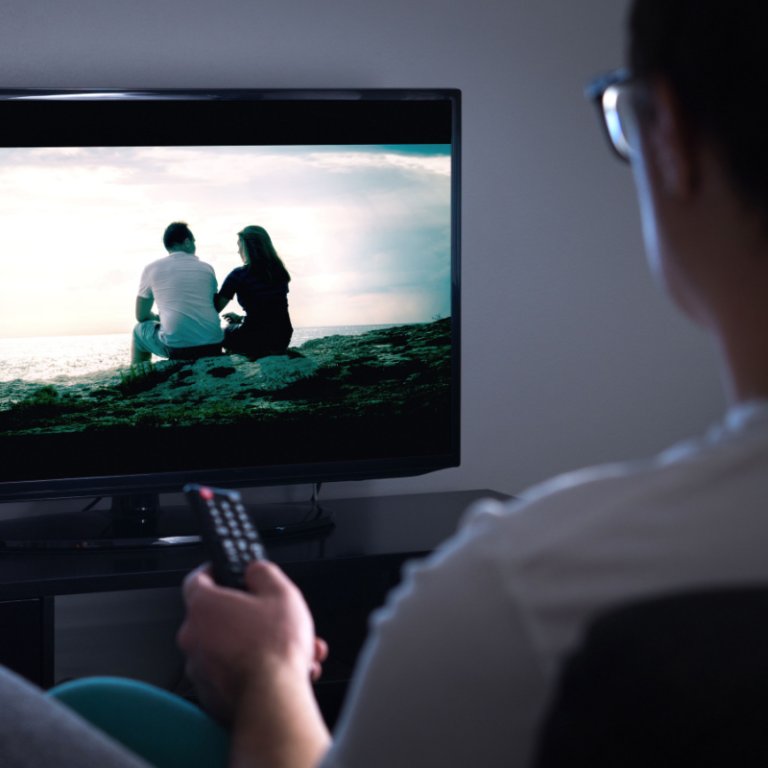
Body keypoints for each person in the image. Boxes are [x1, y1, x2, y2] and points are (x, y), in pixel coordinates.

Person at [176, 1, 768, 766]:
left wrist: (267, 674)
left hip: (249, 354)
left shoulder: (517, 596)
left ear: (671, 137)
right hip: (277, 338)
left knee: (78, 705)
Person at [131, 222, 224, 364]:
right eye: (194, 242)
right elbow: (210, 306)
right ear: (187, 242)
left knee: (138, 331)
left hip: (179, 349)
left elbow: (141, 315)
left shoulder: (152, 269)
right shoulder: (207, 268)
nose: (195, 246)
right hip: (214, 345)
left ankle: (140, 376)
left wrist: (159, 317)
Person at [214, 226, 293, 359]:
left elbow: (216, 307)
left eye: (239, 245)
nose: (238, 251)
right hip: (282, 337)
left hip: (254, 338)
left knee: (223, 332)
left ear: (247, 247)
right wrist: (241, 319)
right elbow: (270, 312)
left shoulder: (239, 274)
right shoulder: (280, 272)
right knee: (238, 325)